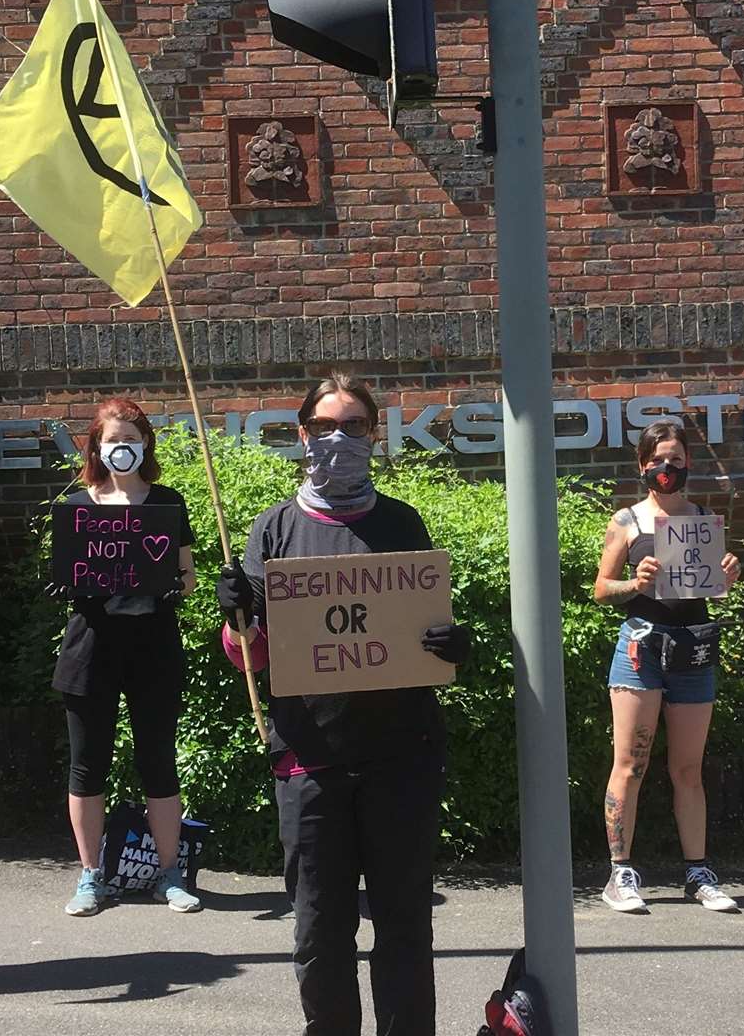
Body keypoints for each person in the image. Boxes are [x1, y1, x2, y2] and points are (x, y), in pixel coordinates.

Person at [214, 373, 473, 1036]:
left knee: (405, 927)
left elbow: (424, 635)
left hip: (402, 758)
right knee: (319, 933)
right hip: (311, 763)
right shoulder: (273, 529)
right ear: (302, 434)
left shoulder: (400, 522)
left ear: (373, 434)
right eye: (324, 426)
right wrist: (239, 618)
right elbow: (250, 657)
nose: (338, 438)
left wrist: (450, 642)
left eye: (353, 425)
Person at [48, 397, 200, 916]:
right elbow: (63, 572)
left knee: (157, 760)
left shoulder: (168, 503)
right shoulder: (74, 508)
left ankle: (169, 874)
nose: (122, 449)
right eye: (114, 441)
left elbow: (187, 574)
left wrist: (174, 587)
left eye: (132, 441)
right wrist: (65, 583)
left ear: (146, 446)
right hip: (91, 648)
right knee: (87, 765)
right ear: (96, 446)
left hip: (153, 646)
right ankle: (91, 876)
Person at [592, 420, 742, 914]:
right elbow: (600, 590)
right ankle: (620, 873)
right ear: (642, 466)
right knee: (630, 764)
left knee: (688, 769)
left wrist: (728, 573)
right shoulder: (627, 522)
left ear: (688, 464)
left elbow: (711, 586)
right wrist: (634, 583)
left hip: (692, 648)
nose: (667, 468)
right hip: (640, 647)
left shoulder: (702, 519)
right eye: (658, 460)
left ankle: (697, 871)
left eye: (676, 460)